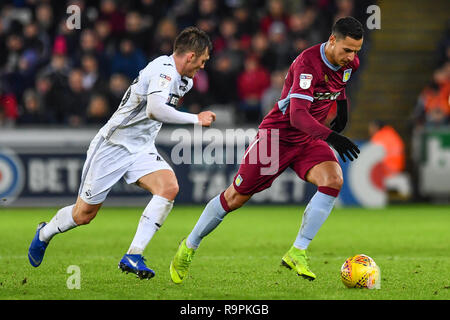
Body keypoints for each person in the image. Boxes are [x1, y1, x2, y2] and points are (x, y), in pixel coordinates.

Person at [170, 17, 363, 283]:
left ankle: (298, 250)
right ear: (332, 41)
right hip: (277, 137)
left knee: (333, 180)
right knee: (236, 197)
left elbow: (339, 85)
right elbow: (297, 116)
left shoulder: (350, 63)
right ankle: (189, 246)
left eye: (356, 51)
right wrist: (333, 136)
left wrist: (341, 107)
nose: (352, 57)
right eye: (347, 50)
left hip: (307, 140)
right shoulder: (308, 65)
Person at [28, 27, 216, 280]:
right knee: (83, 215)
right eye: (203, 60)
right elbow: (155, 110)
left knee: (169, 187)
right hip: (113, 145)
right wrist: (196, 119)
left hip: (141, 147)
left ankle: (133, 255)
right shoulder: (164, 70)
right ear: (191, 56)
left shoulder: (185, 80)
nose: (203, 67)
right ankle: (45, 232)